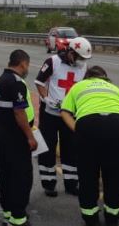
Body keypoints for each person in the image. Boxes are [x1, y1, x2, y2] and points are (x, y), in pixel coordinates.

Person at [60, 66, 119, 226]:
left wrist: (76, 129)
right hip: (117, 126)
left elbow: (65, 112)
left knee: (88, 174)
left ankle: (91, 219)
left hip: (88, 126)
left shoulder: (78, 86)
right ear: (105, 78)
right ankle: (112, 218)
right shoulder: (114, 88)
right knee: (114, 174)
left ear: (87, 77)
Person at [34, 36, 92, 197]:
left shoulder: (83, 67)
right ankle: (49, 183)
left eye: (84, 59)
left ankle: (71, 184)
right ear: (71, 52)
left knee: (71, 149)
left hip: (70, 115)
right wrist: (47, 99)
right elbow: (39, 82)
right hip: (50, 114)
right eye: (79, 57)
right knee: (48, 148)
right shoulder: (53, 61)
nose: (81, 61)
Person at [0, 49, 39, 226]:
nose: (27, 68)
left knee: (7, 175)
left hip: (3, 134)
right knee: (22, 177)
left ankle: (9, 213)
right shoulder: (16, 83)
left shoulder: (0, 80)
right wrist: (30, 136)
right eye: (27, 65)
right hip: (16, 137)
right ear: (22, 64)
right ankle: (19, 219)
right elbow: (19, 113)